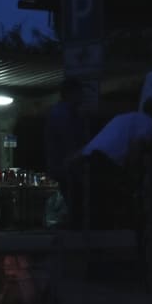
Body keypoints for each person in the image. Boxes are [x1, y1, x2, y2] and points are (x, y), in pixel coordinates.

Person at [44, 78, 89, 221]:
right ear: (72, 93)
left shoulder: (60, 112)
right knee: (76, 203)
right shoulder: (64, 114)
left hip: (64, 166)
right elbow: (70, 142)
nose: (83, 96)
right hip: (69, 167)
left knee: (74, 203)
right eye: (80, 92)